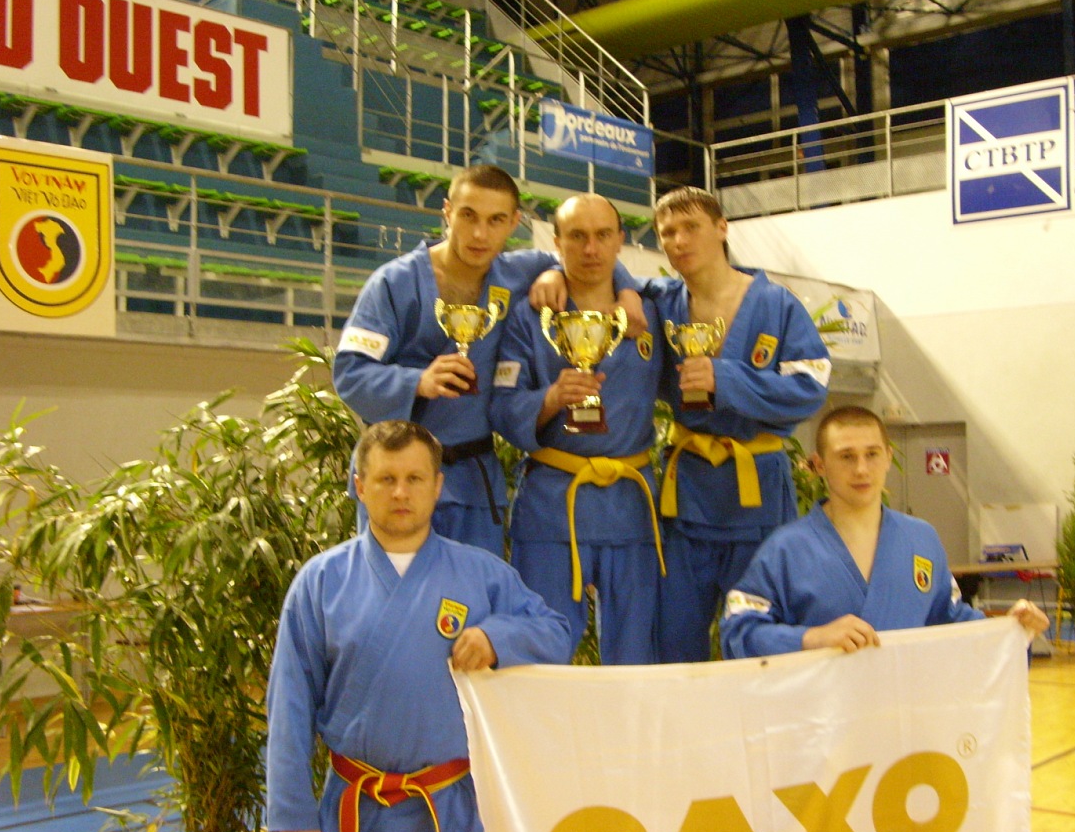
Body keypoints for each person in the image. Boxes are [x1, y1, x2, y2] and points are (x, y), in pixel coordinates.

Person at [266, 421, 572, 832]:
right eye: (386, 479)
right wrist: (292, 816)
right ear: (360, 486)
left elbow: (556, 633)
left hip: (447, 809)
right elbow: (289, 705)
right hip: (356, 808)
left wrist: (497, 638)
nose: (400, 492)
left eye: (414, 478)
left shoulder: (481, 573)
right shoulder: (321, 582)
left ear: (437, 486)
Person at [333, 164, 643, 555]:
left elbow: (590, 256)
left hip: (473, 481)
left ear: (514, 222)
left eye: (496, 220)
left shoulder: (518, 273)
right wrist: (417, 382)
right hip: (399, 477)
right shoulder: (394, 282)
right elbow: (350, 374)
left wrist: (625, 291)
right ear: (447, 212)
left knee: (477, 591)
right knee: (394, 589)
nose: (480, 234)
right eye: (468, 216)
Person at [643, 186, 832, 663]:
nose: (679, 241)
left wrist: (726, 378)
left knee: (761, 636)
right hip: (687, 493)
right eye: (667, 233)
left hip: (757, 494)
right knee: (673, 639)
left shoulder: (776, 305)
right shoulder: (661, 303)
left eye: (691, 228)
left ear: (722, 228)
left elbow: (809, 388)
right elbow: (608, 279)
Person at [720, 406, 1049, 658]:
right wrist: (811, 638)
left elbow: (949, 619)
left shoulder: (922, 540)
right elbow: (738, 630)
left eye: (872, 454)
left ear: (889, 457)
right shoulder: (785, 548)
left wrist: (1008, 628)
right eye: (846, 457)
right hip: (820, 719)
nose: (861, 469)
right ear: (819, 465)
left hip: (906, 717)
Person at [489, 194, 664, 664]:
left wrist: (627, 288)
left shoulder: (649, 314)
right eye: (577, 237)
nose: (591, 249)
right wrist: (549, 399)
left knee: (636, 657)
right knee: (540, 649)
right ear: (557, 242)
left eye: (603, 235)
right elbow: (502, 406)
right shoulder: (530, 316)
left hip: (631, 507)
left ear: (621, 240)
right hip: (554, 505)